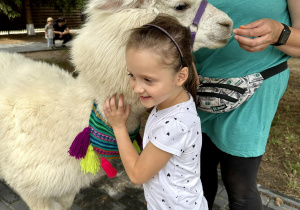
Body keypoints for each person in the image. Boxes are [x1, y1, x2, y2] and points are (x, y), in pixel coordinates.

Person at [193, 1, 300, 210]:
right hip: (195, 83)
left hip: (255, 86)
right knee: (197, 171)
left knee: (239, 183)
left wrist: (279, 33)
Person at [103, 15, 208, 210]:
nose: (136, 88)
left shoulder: (175, 124)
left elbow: (137, 175)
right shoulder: (174, 97)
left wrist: (118, 126)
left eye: (148, 80)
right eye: (132, 75)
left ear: (181, 76)